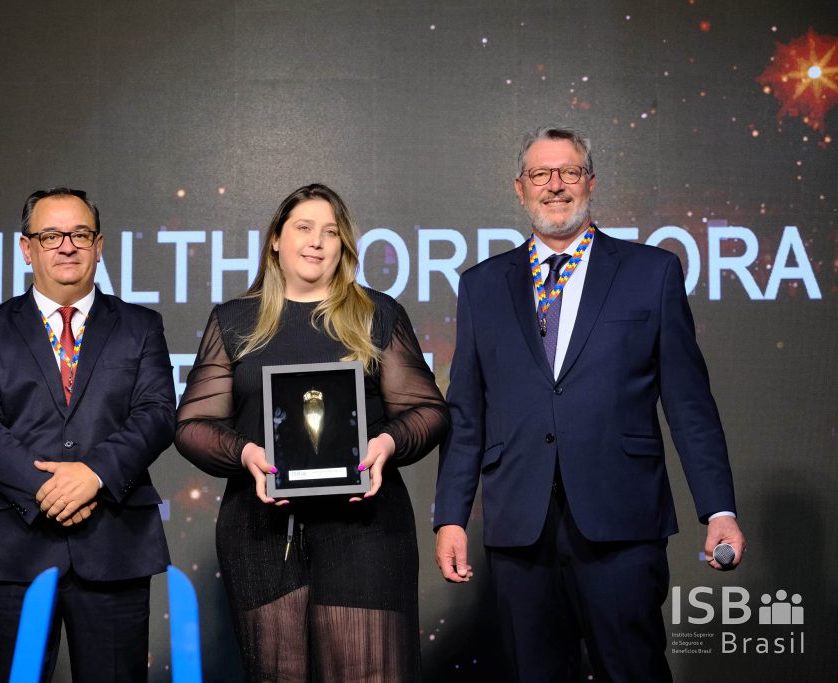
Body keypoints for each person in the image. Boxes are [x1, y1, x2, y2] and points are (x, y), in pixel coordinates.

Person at [433, 127, 747, 681]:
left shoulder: (651, 272)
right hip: (520, 529)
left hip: (622, 520)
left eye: (570, 172)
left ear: (591, 182)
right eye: (540, 174)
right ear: (520, 187)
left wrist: (718, 509)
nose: (555, 185)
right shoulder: (481, 286)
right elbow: (466, 415)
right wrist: (451, 518)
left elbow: (690, 404)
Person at [176, 183, 449, 682]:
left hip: (366, 529)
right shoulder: (235, 320)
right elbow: (193, 425)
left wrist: (386, 443)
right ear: (276, 239)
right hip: (261, 533)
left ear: (344, 245)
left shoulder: (376, 314)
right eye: (304, 228)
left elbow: (427, 410)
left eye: (331, 232)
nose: (317, 241)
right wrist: (246, 453)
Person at [0, 187, 176, 683]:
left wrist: (93, 475)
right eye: (51, 235)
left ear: (99, 245)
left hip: (114, 542)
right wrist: (47, 489)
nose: (67, 246)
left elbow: (158, 413)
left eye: (79, 234)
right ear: (26, 248)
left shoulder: (140, 326)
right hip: (16, 544)